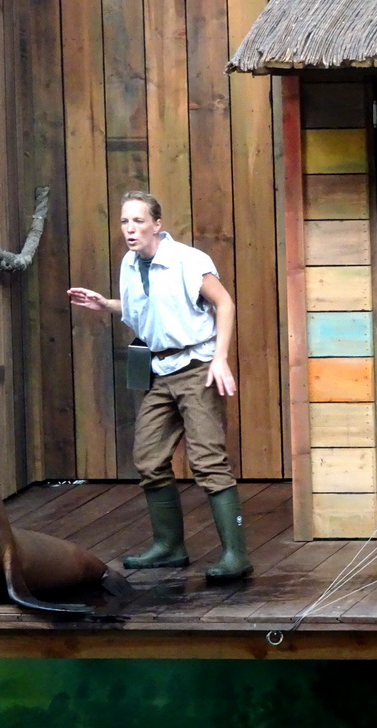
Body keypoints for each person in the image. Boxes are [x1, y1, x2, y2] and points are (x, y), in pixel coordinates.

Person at [67, 190, 252, 582]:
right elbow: (142, 309)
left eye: (137, 221)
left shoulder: (188, 261)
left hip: (197, 364)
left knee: (207, 460)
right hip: (159, 367)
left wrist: (220, 358)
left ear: (157, 224)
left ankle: (236, 556)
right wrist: (106, 304)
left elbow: (225, 303)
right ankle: (170, 547)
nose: (130, 229)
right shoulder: (131, 265)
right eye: (124, 221)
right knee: (149, 457)